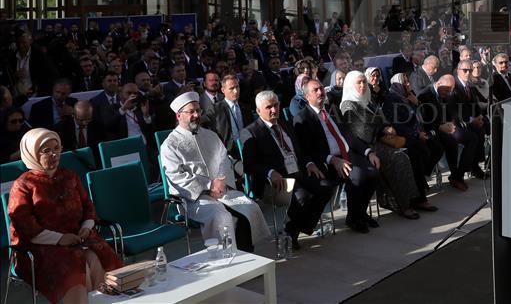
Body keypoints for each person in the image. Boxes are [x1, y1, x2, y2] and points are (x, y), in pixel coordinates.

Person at [7, 128, 122, 304]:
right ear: (31, 154)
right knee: (78, 269)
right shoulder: (23, 185)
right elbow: (25, 226)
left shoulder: (70, 176)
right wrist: (60, 239)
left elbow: (87, 207)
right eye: (46, 151)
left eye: (57, 148)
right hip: (40, 246)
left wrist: (86, 227)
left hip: (77, 238)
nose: (53, 154)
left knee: (96, 259)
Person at [160, 91, 270, 252]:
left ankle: (247, 257)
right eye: (191, 112)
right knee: (222, 216)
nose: (197, 115)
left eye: (198, 110)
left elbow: (224, 159)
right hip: (193, 198)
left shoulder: (210, 135)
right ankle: (226, 259)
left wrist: (220, 181)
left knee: (249, 207)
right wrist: (209, 185)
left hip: (222, 189)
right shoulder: (169, 145)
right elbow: (177, 177)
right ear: (178, 116)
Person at [245, 90, 335, 244]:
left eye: (276, 105)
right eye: (268, 107)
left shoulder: (286, 124)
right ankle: (290, 232)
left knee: (326, 186)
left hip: (297, 171)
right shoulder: (251, 132)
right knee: (302, 196)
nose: (274, 110)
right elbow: (250, 165)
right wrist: (270, 172)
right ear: (259, 111)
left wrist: (309, 163)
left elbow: (302, 150)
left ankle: (300, 227)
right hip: (275, 180)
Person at [339, 71, 428, 219]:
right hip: (364, 148)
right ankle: (402, 204)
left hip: (380, 142)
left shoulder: (367, 99)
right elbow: (362, 131)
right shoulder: (347, 105)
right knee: (400, 159)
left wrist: (386, 126)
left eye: (364, 82)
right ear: (350, 85)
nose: (362, 85)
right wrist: (382, 129)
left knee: (413, 152)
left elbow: (382, 118)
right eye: (358, 83)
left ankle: (416, 199)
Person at [292, 84, 379, 233]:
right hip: (327, 162)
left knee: (373, 173)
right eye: (315, 90)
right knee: (357, 176)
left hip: (347, 154)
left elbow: (349, 136)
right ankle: (354, 219)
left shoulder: (332, 110)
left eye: (321, 88)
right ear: (307, 97)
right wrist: (331, 159)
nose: (321, 92)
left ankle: (358, 213)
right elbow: (307, 150)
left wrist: (368, 151)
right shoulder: (302, 118)